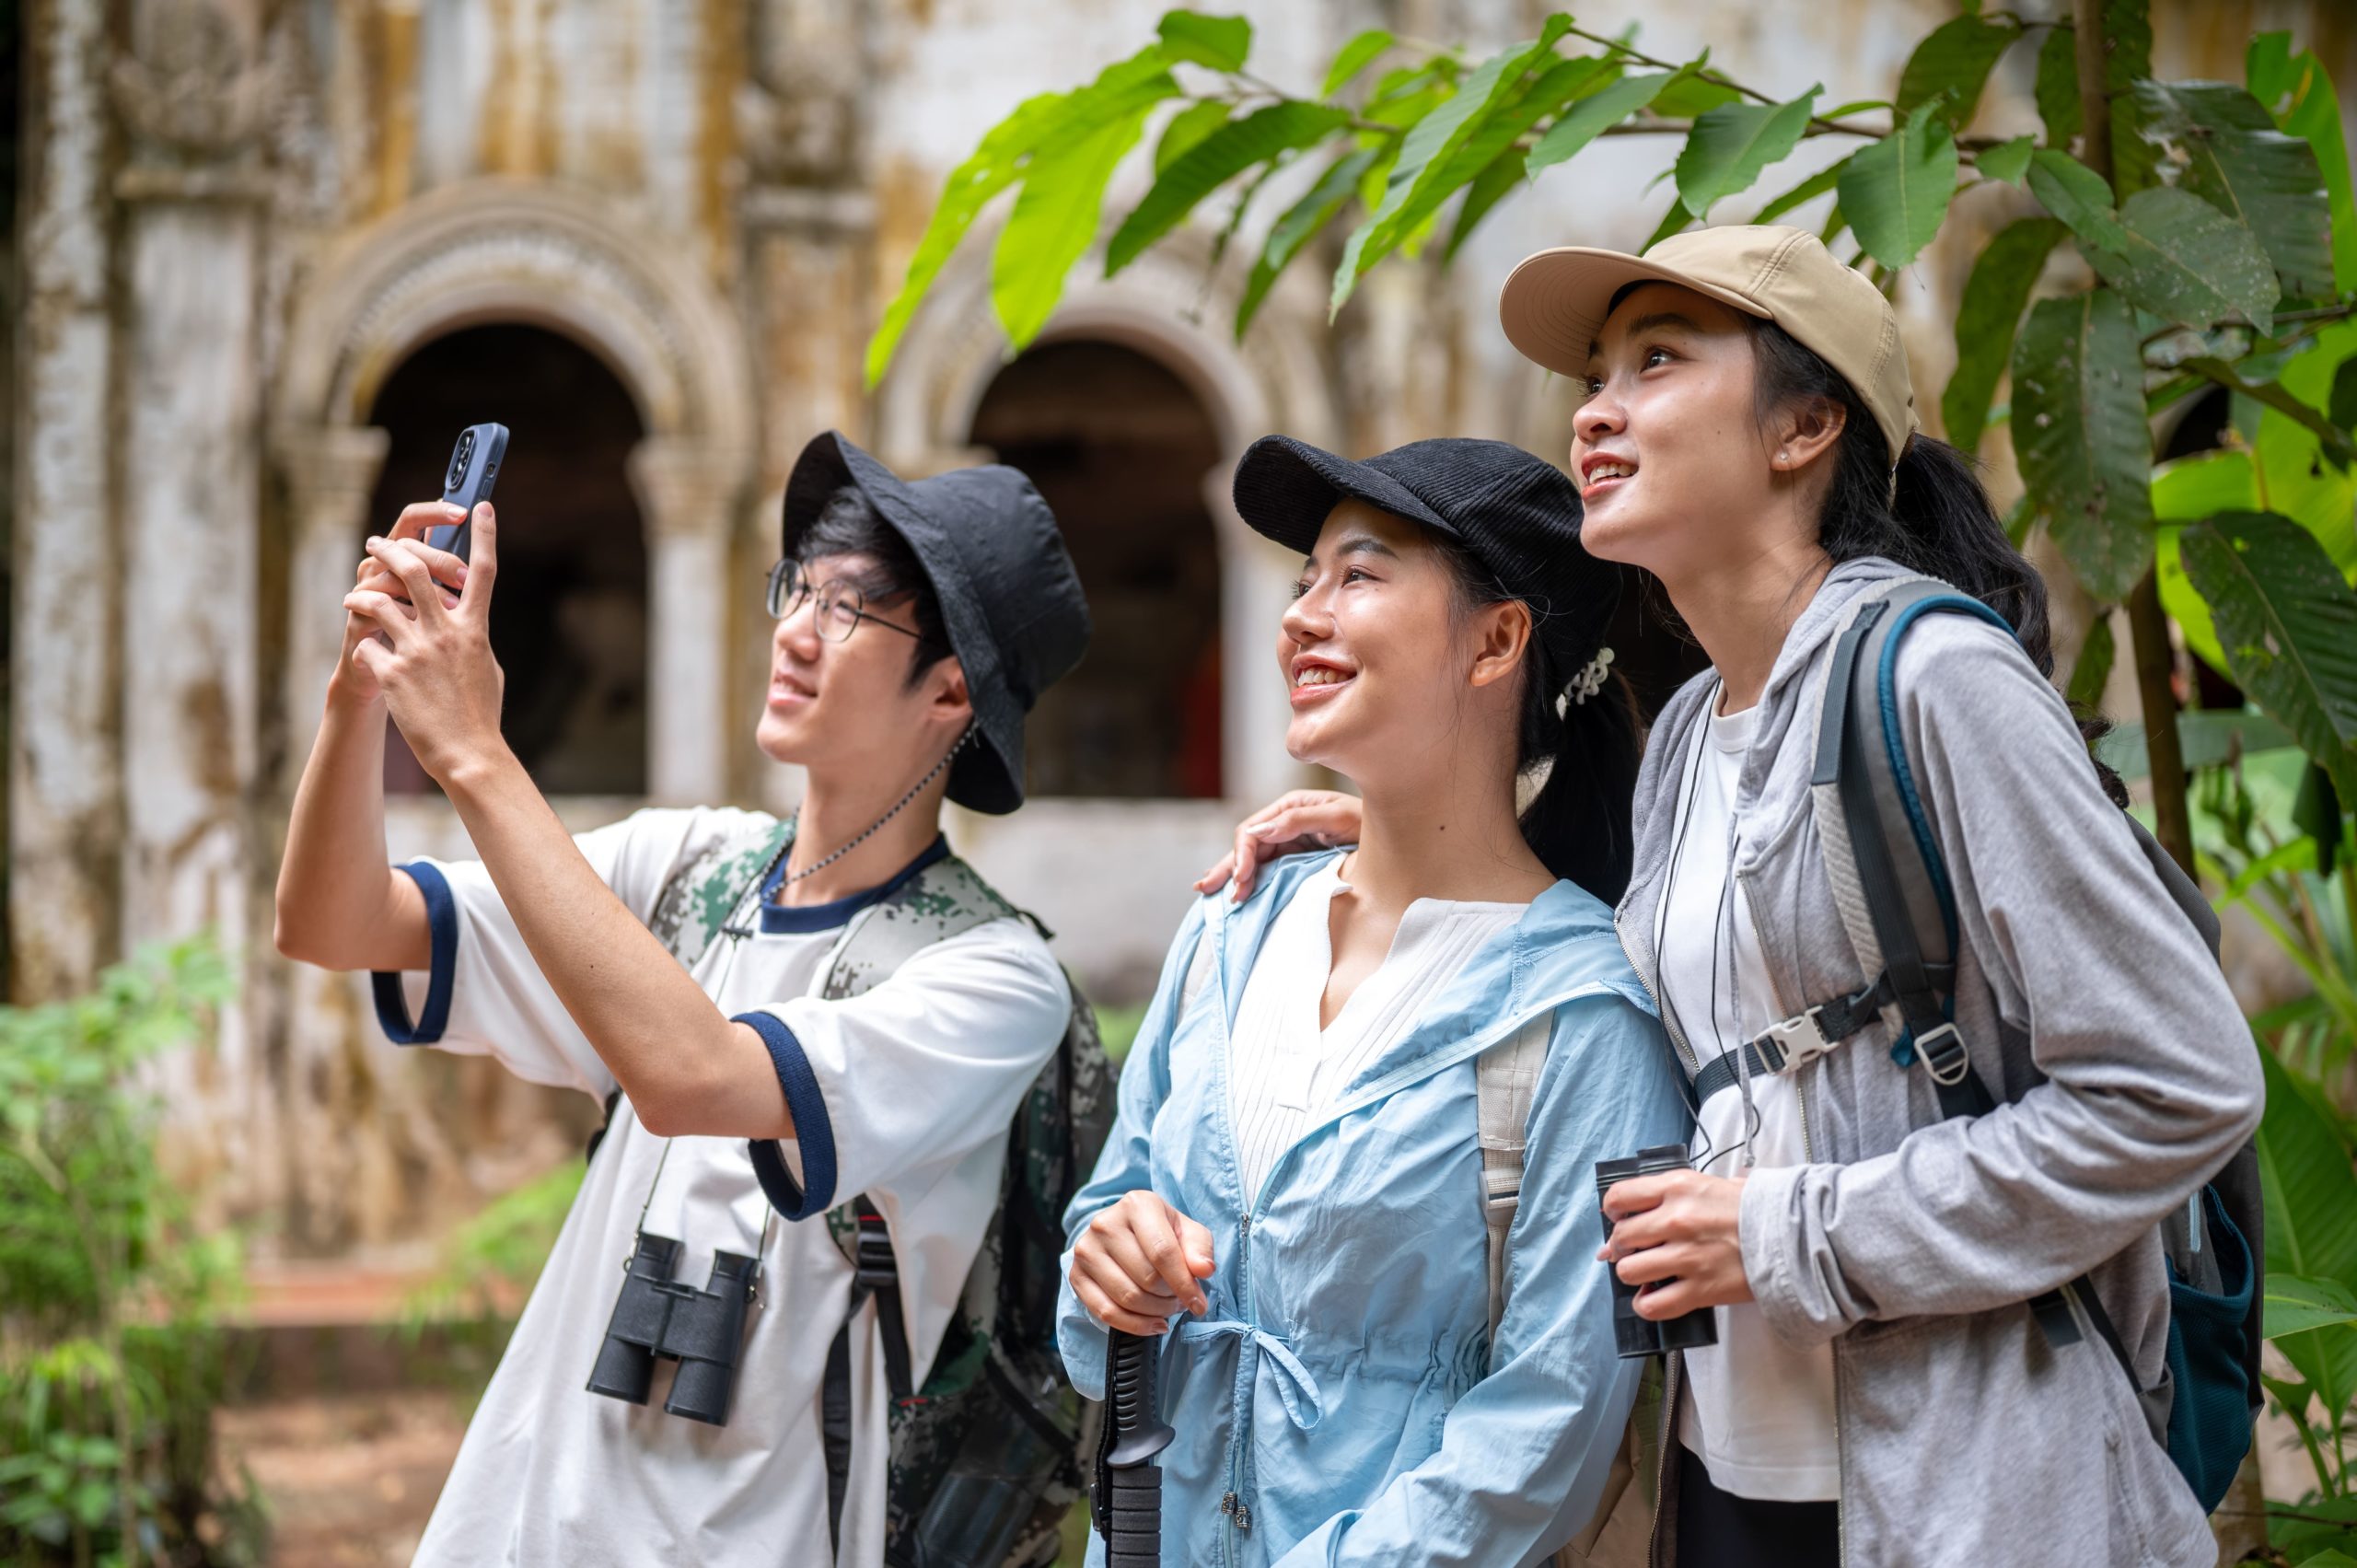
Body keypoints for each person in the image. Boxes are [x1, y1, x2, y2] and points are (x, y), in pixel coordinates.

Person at [1205, 226, 2264, 1568]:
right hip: (1729, 1472)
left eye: (1657, 362)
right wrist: (1401, 830)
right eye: (1597, 374)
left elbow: (2176, 1084)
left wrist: (1788, 1229)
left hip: (1978, 1485)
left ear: (1803, 426)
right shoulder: (1695, 731)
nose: (1598, 407)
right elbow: (1689, 977)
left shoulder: (1937, 679)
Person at [273, 430, 1090, 1566]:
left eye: (849, 610)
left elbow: (694, 1076)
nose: (795, 632)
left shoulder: (992, 978)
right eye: (794, 589)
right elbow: (333, 921)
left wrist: (472, 750)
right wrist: (360, 697)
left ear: (951, 689)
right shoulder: (688, 870)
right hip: (519, 1522)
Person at [1061, 435, 1689, 1565]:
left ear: (1496, 640)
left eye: (1357, 575)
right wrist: (1107, 1255)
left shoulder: (1585, 1014)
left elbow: (1549, 1426)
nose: (1301, 612)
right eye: (1305, 578)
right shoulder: (1232, 927)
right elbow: (1105, 1226)